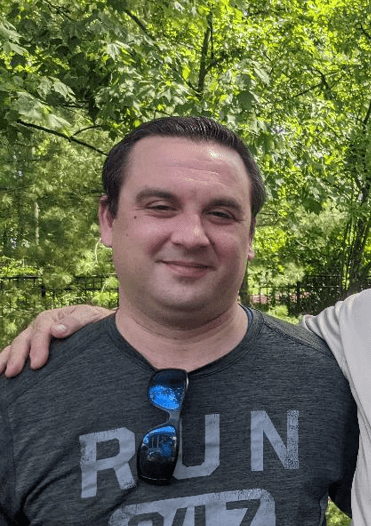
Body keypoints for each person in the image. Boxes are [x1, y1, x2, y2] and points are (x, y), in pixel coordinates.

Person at [0, 116, 358, 525]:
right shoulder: (20, 397)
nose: (191, 235)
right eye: (160, 207)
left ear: (251, 235)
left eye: (221, 213)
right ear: (108, 220)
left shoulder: (329, 379)